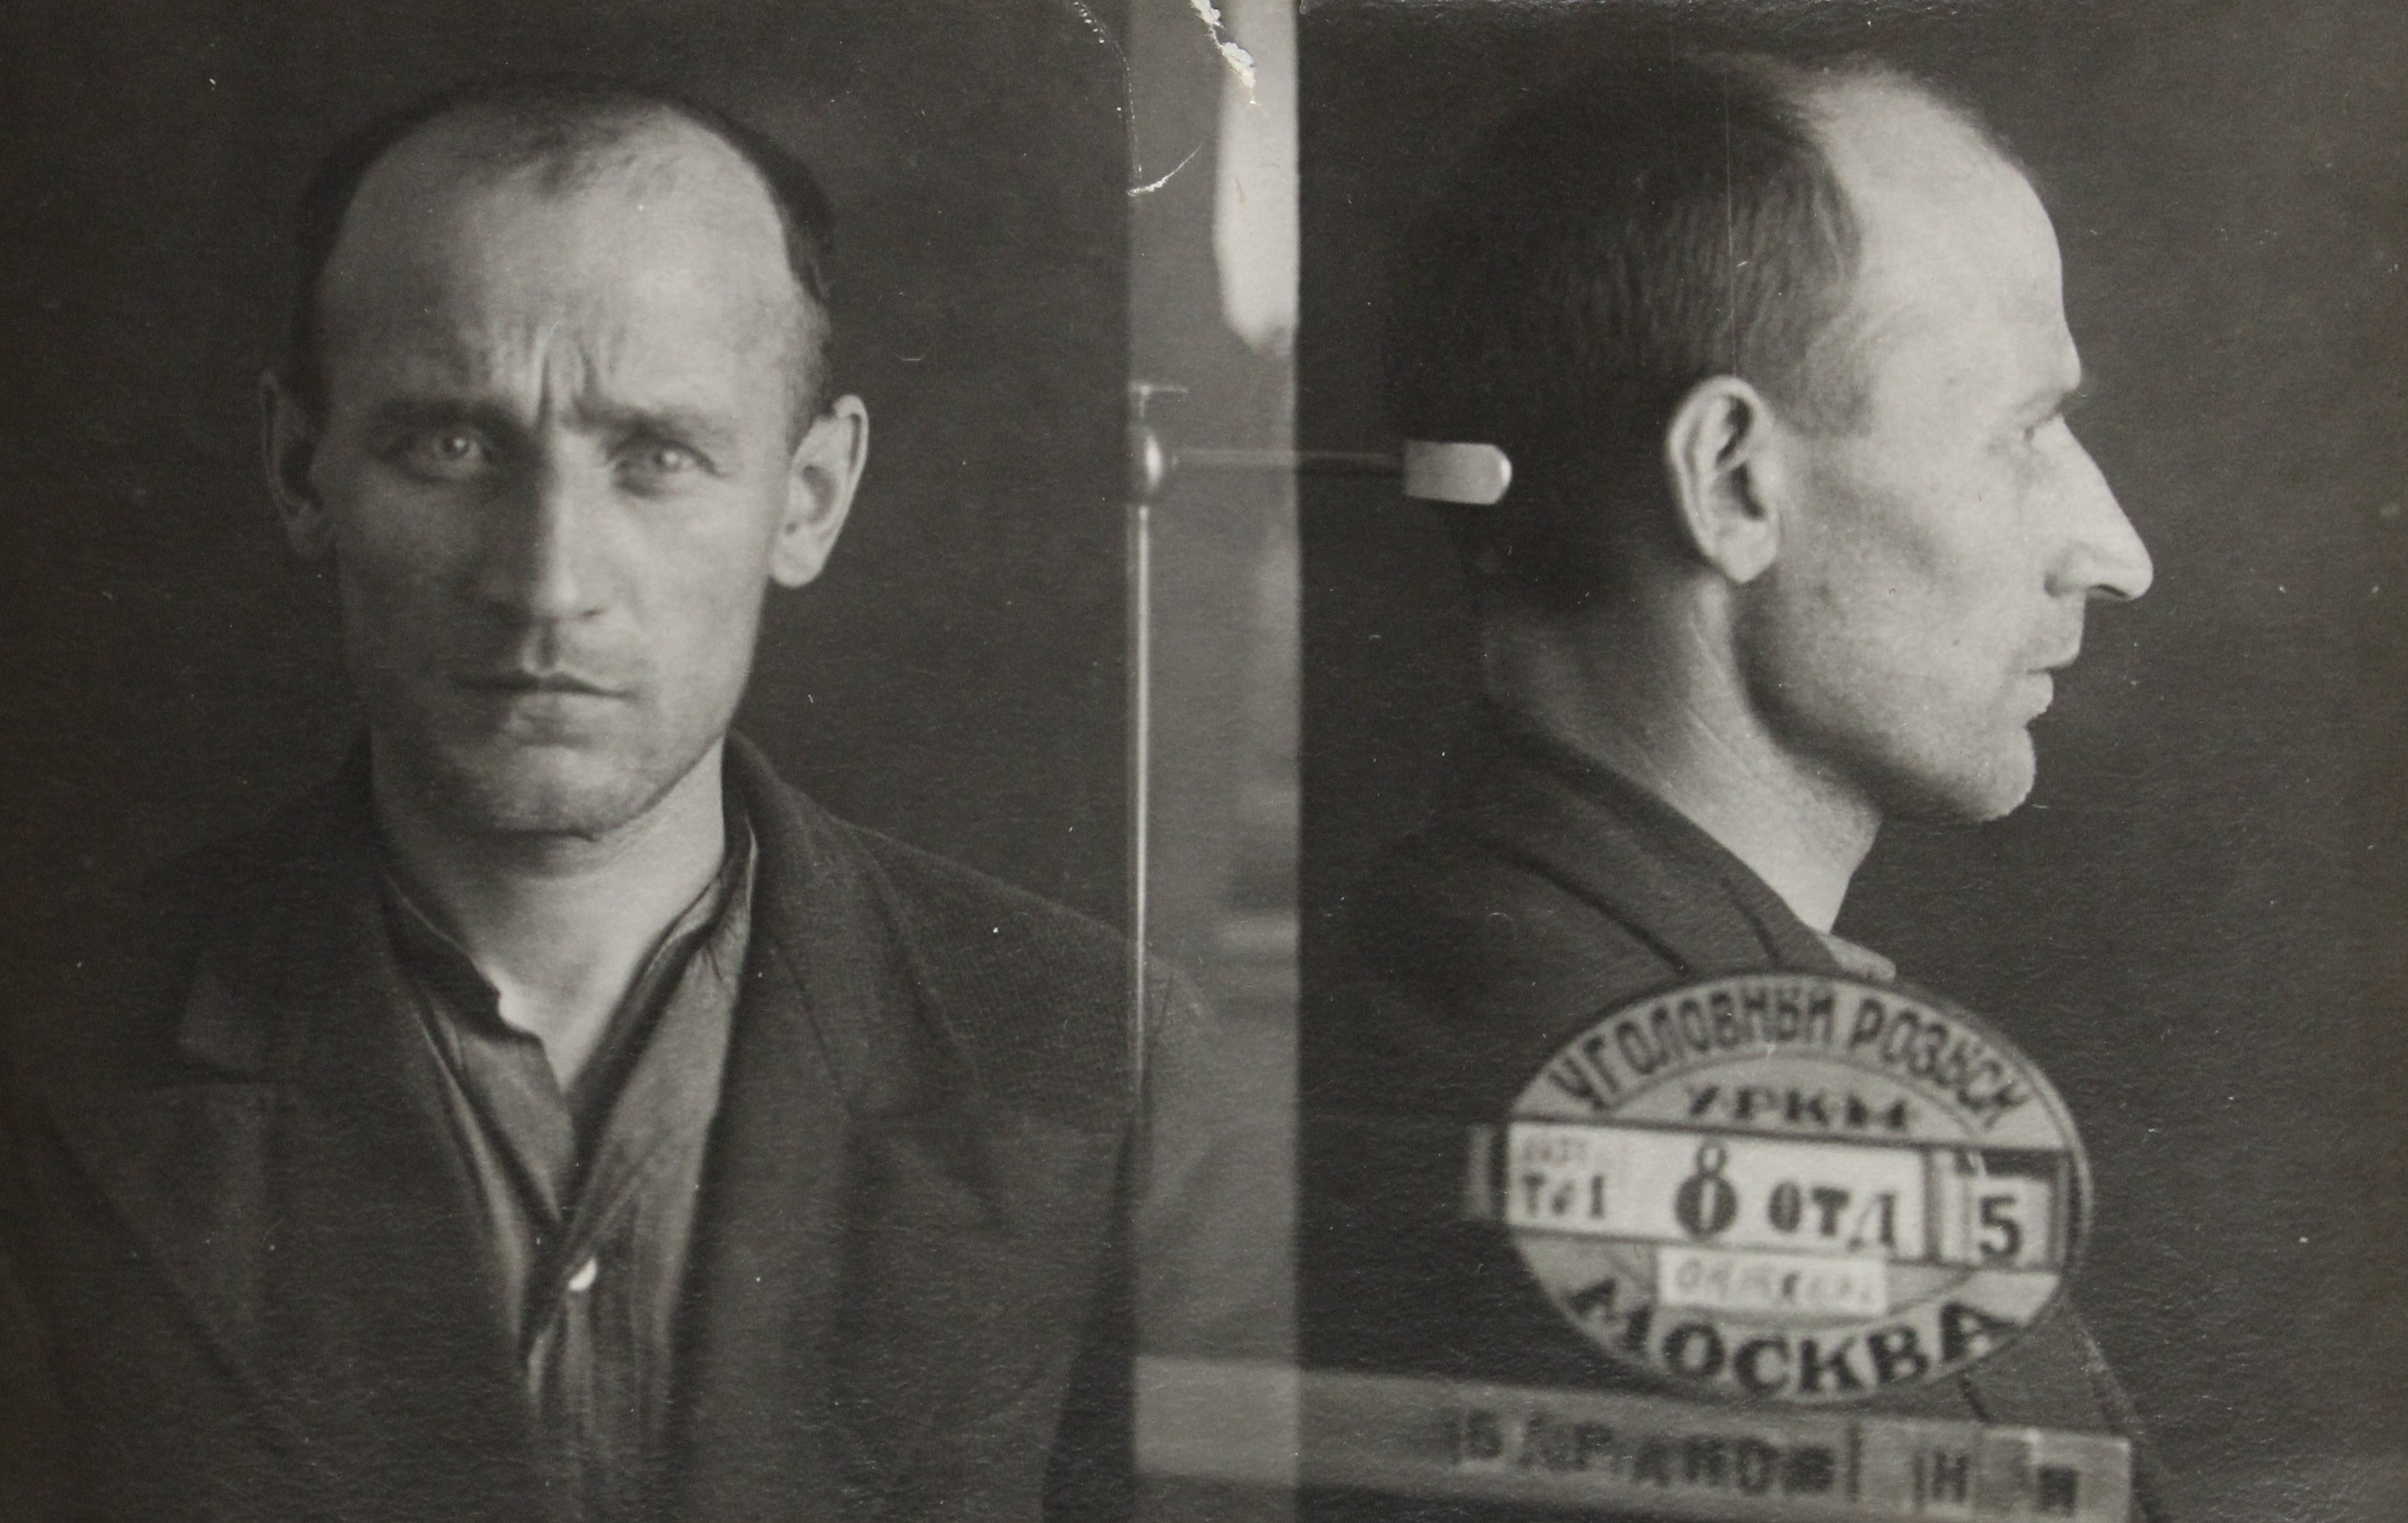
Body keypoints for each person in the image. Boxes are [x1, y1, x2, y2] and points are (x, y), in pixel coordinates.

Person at [0, 79, 1143, 1522]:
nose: (546, 581)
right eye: (450, 447)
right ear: (301, 470)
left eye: (656, 457)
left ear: (808, 496)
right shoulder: (39, 1053)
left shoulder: (1116, 1071)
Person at [1304, 51, 2167, 1520]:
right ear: (1732, 483)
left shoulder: (1495, 987)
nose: (2115, 550)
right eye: (2023, 435)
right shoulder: (1709, 1175)